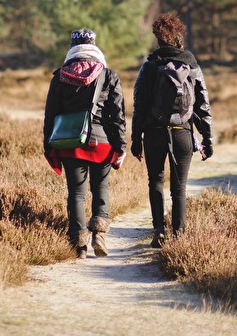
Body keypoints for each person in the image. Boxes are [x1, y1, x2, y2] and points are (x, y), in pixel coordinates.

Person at [130, 13, 213, 247]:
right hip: (182, 132)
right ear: (179, 38)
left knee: (155, 181)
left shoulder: (149, 67)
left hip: (154, 132)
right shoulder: (192, 65)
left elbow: (139, 106)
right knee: (179, 187)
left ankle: (159, 231)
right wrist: (208, 139)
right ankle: (179, 235)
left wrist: (136, 140)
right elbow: (203, 105)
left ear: (159, 39)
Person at [44, 28, 127, 259]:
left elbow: (50, 114)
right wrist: (122, 146)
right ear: (94, 45)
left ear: (72, 47)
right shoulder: (108, 75)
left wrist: (48, 146)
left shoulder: (60, 75)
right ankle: (99, 235)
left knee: (76, 194)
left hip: (71, 143)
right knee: (101, 188)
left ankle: (78, 244)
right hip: (102, 143)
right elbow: (118, 115)